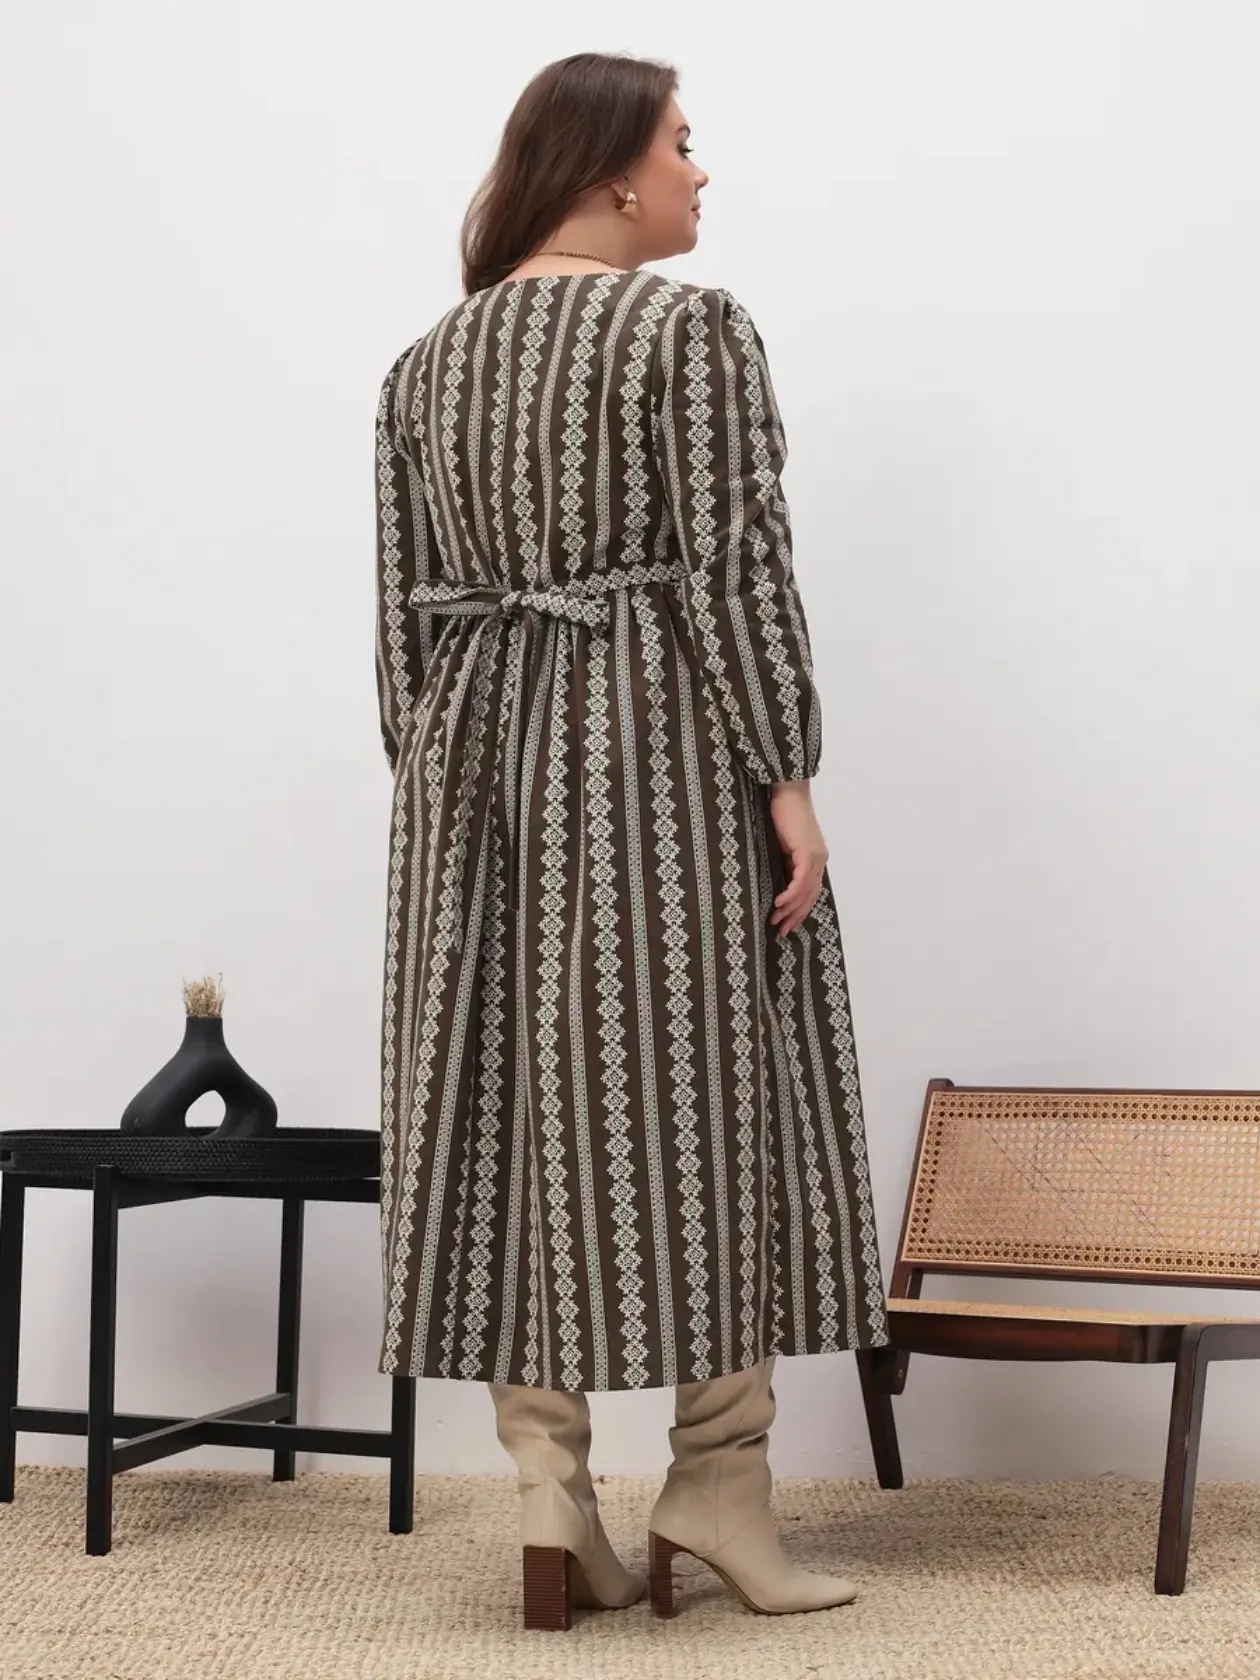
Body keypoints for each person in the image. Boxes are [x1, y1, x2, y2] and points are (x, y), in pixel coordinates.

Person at [372, 51, 890, 1630]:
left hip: (468, 774)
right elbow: (738, 571)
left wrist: (446, 790)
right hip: (652, 751)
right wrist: (786, 775)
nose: (698, 172)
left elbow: (403, 632)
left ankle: (551, 1493)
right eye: (681, 143)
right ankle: (719, 1482)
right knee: (710, 1090)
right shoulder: (687, 330)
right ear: (610, 169)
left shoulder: (422, 367)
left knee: (514, 1104)